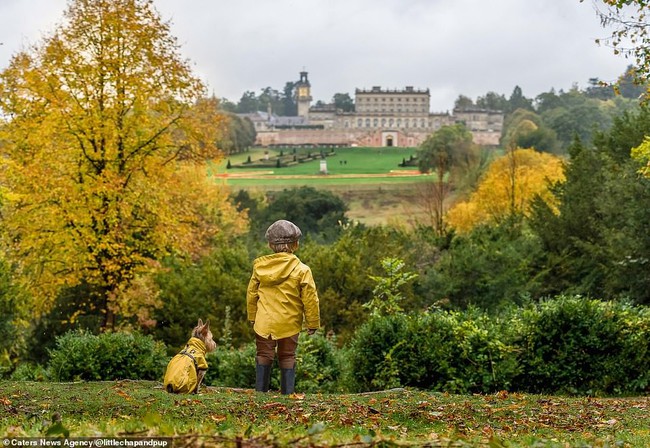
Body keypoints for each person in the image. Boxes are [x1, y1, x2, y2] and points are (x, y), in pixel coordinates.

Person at [246, 219, 320, 394]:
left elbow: (251, 294)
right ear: (295, 244)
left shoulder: (259, 267)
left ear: (270, 245)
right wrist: (312, 323)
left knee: (264, 354)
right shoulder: (302, 270)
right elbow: (310, 298)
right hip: (289, 322)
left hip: (263, 322)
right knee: (287, 356)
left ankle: (260, 393)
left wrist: (252, 317)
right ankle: (287, 395)